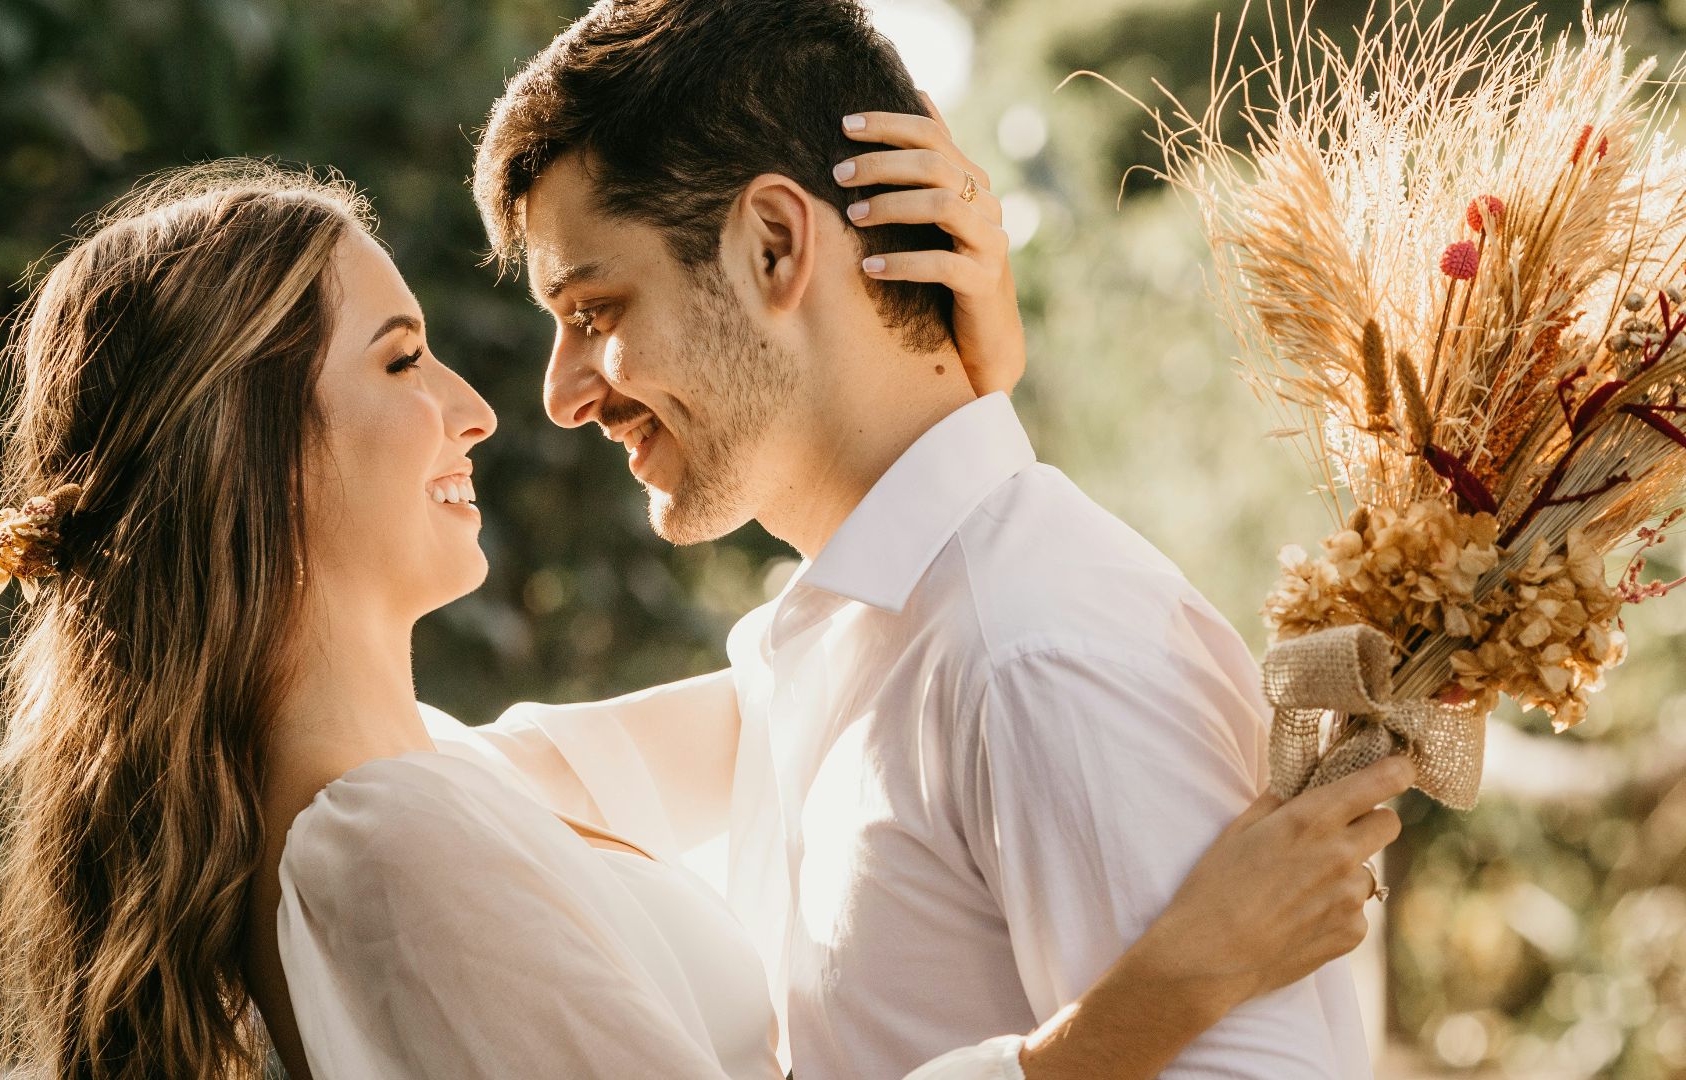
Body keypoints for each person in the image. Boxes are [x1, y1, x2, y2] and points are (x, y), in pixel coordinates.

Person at [0, 152, 1399, 1080]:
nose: (478, 409)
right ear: (254, 452)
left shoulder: (446, 781)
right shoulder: (386, 848)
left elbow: (816, 674)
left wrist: (944, 402)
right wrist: (1138, 1013)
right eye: (402, 362)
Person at [463, 1, 1391, 1077]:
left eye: (595, 309)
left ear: (774, 246)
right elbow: (455, 787)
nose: (563, 395)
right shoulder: (822, 647)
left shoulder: (1041, 654)